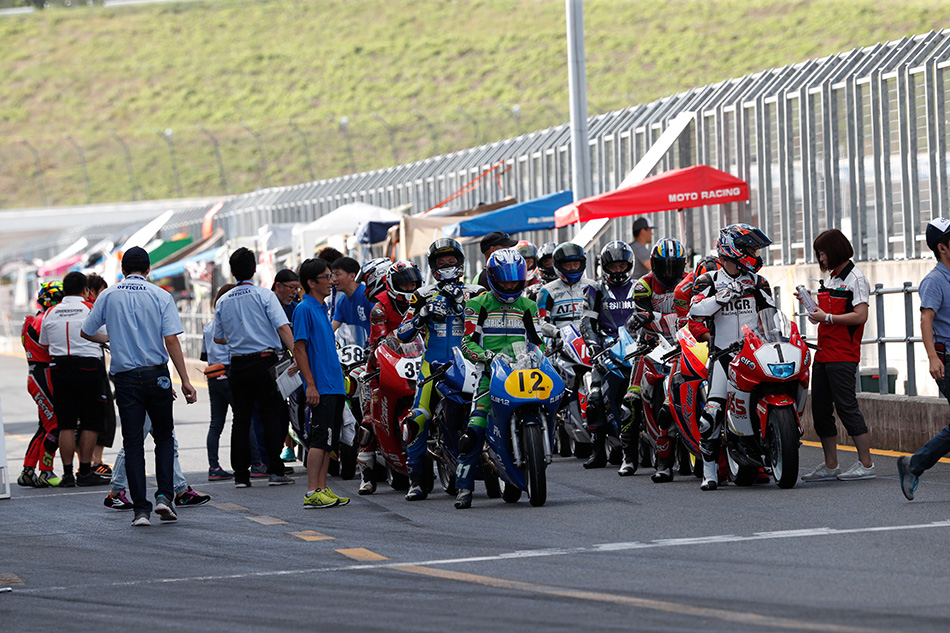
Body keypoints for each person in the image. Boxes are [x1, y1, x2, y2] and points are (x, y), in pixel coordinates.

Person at [81, 246, 198, 527]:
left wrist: (111, 338)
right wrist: (185, 380)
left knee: (133, 442)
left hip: (125, 378)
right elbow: (171, 340)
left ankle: (140, 512)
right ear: (148, 269)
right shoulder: (160, 295)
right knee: (164, 437)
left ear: (123, 270)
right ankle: (164, 498)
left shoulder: (108, 295)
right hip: (156, 375)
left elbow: (86, 331)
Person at [455, 249, 544, 509]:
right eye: (504, 281)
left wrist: (540, 355)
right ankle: (464, 488)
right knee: (474, 430)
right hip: (489, 375)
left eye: (514, 281)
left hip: (524, 374)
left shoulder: (529, 306)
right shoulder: (477, 305)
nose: (509, 286)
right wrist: (487, 356)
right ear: (493, 279)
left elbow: (538, 342)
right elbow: (467, 343)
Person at [688, 224, 774, 491]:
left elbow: (771, 316)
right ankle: (709, 471)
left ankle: (771, 450)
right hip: (723, 356)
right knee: (712, 413)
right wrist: (721, 298)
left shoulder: (758, 281)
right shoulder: (709, 280)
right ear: (734, 250)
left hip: (754, 353)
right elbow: (694, 311)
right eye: (751, 249)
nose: (755, 255)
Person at [397, 238, 484, 500]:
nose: (446, 265)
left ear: (460, 262)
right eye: (441, 261)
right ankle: (416, 480)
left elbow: (490, 325)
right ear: (433, 266)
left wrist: (463, 308)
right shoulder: (422, 295)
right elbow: (402, 334)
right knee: (417, 418)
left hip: (471, 362)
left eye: (451, 260)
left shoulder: (478, 292)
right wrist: (422, 315)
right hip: (433, 366)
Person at [213, 247, 297, 489]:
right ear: (254, 269)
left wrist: (239, 337)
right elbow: (282, 328)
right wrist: (297, 355)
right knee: (272, 415)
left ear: (232, 271)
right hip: (265, 361)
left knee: (241, 419)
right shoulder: (264, 295)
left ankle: (241, 475)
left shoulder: (223, 300)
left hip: (238, 364)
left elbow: (218, 338)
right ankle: (275, 471)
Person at [798, 228, 874, 482]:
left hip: (843, 354)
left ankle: (866, 463)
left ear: (834, 250)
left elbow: (860, 315)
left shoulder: (856, 279)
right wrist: (812, 308)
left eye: (822, 253)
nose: (821, 259)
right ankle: (831, 465)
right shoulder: (831, 279)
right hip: (823, 352)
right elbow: (827, 315)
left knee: (846, 407)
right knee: (820, 410)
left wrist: (827, 317)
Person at [357, 260, 423, 494]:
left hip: (417, 360)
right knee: (368, 420)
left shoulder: (423, 301)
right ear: (392, 284)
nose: (409, 288)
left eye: (413, 284)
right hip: (381, 363)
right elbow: (380, 341)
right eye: (404, 284)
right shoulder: (379, 308)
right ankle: (366, 477)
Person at [625, 238, 688, 482]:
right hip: (651, 344)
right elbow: (641, 312)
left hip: (684, 343)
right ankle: (629, 458)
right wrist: (640, 317)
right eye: (665, 267)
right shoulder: (644, 285)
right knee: (630, 401)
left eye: (675, 266)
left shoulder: (690, 282)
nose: (670, 273)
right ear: (654, 265)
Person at [40, 272, 110, 487]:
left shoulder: (50, 312)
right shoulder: (90, 308)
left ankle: (68, 474)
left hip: (59, 368)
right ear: (85, 290)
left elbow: (44, 342)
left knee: (66, 424)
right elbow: (107, 335)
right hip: (88, 367)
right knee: (90, 422)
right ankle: (86, 472)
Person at [897, 218, 950, 500]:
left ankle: (913, 465)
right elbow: (925, 321)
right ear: (942, 247)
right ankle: (913, 465)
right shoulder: (934, 281)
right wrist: (932, 358)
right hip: (947, 359)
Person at [293, 258, 350, 509]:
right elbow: (299, 347)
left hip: (334, 384)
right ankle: (311, 491)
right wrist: (310, 384)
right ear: (311, 282)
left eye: (331, 276)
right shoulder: (304, 309)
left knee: (329, 442)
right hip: (322, 386)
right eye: (326, 277)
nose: (331, 281)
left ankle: (322, 488)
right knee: (319, 439)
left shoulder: (321, 308)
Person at [580, 241, 639, 472]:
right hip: (607, 349)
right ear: (604, 267)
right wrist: (593, 345)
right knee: (594, 397)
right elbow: (586, 322)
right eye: (613, 267)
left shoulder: (640, 286)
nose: (618, 270)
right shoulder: (595, 290)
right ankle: (597, 451)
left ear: (629, 265)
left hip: (638, 348)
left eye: (622, 265)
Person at [103, 417, 211, 511]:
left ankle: (182, 492)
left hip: (157, 401)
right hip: (144, 403)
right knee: (133, 446)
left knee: (169, 445)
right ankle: (116, 492)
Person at [17, 282, 64, 488]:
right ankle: (46, 471)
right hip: (43, 375)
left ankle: (27, 471)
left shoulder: (35, 318)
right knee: (55, 424)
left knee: (45, 426)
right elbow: (53, 345)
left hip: (39, 374)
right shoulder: (43, 320)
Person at [202, 283, 237, 480]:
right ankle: (256, 463)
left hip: (213, 376)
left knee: (215, 424)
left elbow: (204, 355)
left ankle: (213, 467)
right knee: (244, 420)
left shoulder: (208, 326)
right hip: (231, 373)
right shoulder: (233, 324)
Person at [86, 273, 115, 477]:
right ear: (91, 291)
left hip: (68, 368)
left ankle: (85, 463)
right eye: (102, 292)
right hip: (94, 369)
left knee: (81, 419)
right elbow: (108, 333)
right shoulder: (93, 309)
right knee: (104, 416)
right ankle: (95, 461)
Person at [272, 268, 302, 464]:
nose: (294, 292)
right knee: (274, 410)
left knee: (291, 407)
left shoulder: (296, 308)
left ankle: (291, 444)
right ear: (278, 286)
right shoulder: (267, 305)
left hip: (291, 364)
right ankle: (283, 448)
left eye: (296, 288)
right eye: (291, 288)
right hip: (269, 364)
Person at [331, 256, 372, 347]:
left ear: (352, 276)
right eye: (333, 275)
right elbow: (331, 329)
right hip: (355, 351)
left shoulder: (368, 295)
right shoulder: (341, 302)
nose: (334, 279)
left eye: (337, 274)